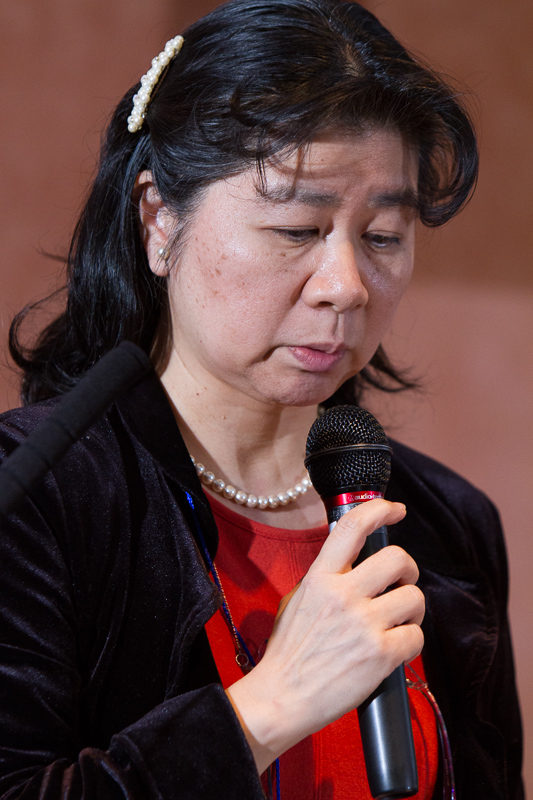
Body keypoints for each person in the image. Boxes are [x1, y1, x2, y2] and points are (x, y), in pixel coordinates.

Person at [0, 0, 523, 798]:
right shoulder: (36, 492)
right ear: (158, 221)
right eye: (296, 230)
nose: (346, 286)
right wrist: (270, 706)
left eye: (382, 237)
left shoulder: (447, 522)